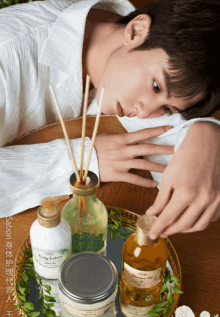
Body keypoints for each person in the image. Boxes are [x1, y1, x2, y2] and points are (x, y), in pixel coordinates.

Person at [0, 0, 220, 240]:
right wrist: (84, 159)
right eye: (156, 86)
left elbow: (179, 151)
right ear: (136, 31)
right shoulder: (8, 54)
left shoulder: (134, 60)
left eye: (167, 107)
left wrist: (207, 132)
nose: (145, 113)